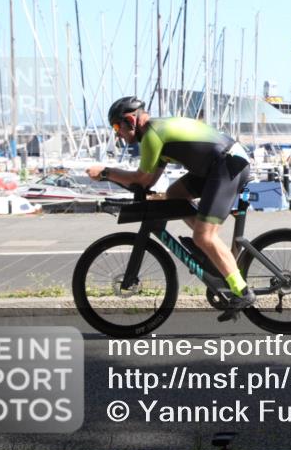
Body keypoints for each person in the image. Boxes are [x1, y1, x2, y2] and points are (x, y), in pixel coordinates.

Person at [86, 96, 254, 316]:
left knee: (204, 237)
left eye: (117, 126)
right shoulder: (157, 131)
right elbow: (151, 180)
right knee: (175, 195)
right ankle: (212, 252)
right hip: (220, 164)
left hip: (226, 166)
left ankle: (241, 291)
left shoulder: (151, 135)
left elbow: (143, 179)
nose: (117, 133)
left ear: (130, 120)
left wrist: (106, 173)